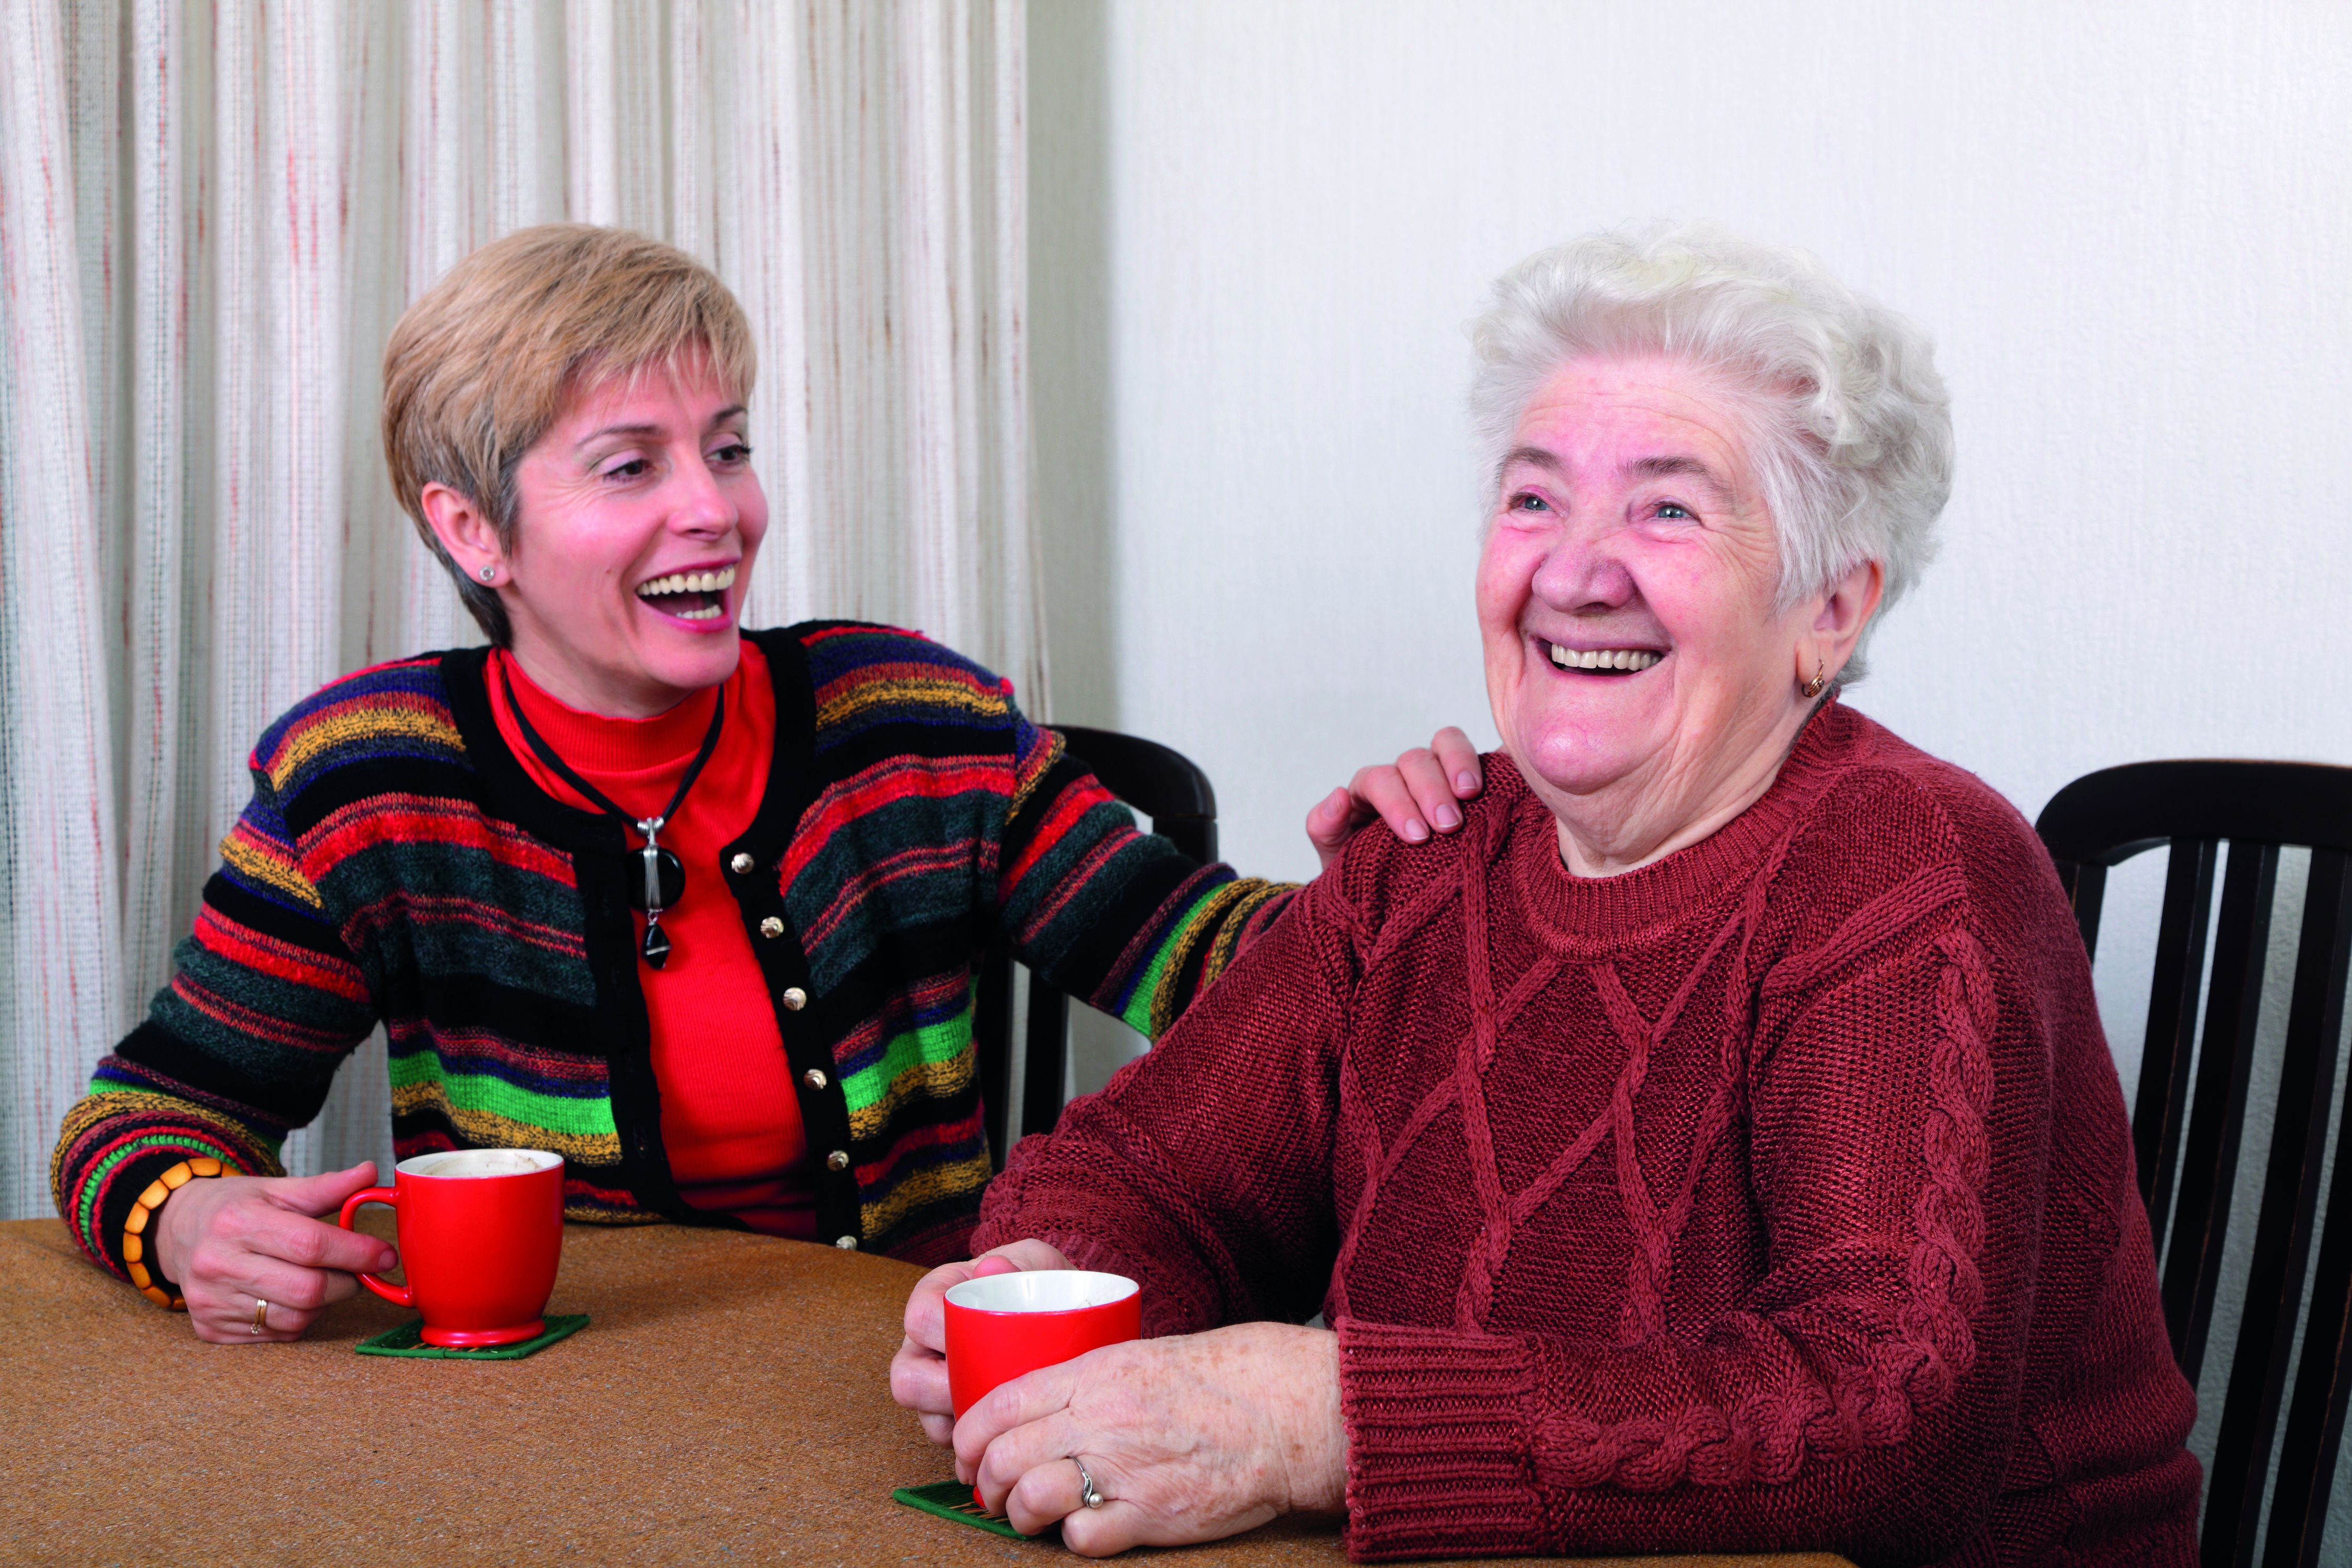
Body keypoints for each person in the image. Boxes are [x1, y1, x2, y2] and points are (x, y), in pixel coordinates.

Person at [891, 225, 2200, 1563]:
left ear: (1832, 608)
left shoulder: (1911, 867)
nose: (1573, 572)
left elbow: (1882, 1414)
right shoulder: (1423, 848)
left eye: (1668, 507)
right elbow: (1147, 1173)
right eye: (1534, 500)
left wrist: (1323, 1424)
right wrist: (1057, 1284)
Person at [48, 223, 1478, 1345]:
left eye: (726, 446)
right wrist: (185, 1222)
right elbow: (147, 1116)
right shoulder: (362, 782)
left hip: (899, 1372)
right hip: (544, 1401)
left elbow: (1204, 963)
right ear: (474, 529)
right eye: (631, 465)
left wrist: (1395, 881)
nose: (715, 509)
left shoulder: (907, 720)